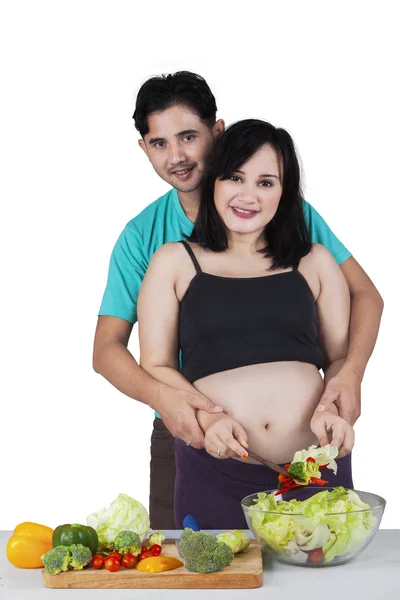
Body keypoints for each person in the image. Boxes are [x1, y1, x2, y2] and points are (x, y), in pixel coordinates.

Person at [93, 71, 383, 529]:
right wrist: (185, 411)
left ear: (217, 132)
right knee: (193, 571)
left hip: (311, 461)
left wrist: (350, 378)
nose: (178, 156)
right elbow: (111, 350)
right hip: (195, 438)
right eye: (159, 143)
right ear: (144, 148)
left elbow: (361, 305)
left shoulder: (300, 233)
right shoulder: (152, 245)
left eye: (188, 136)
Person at [137, 118, 355, 529]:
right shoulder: (173, 262)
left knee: (323, 590)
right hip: (217, 467)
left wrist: (335, 411)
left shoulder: (315, 262)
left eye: (266, 182)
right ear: (215, 181)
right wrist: (206, 419)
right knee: (219, 587)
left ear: (285, 191)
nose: (248, 195)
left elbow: (340, 360)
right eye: (235, 177)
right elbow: (157, 365)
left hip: (314, 470)